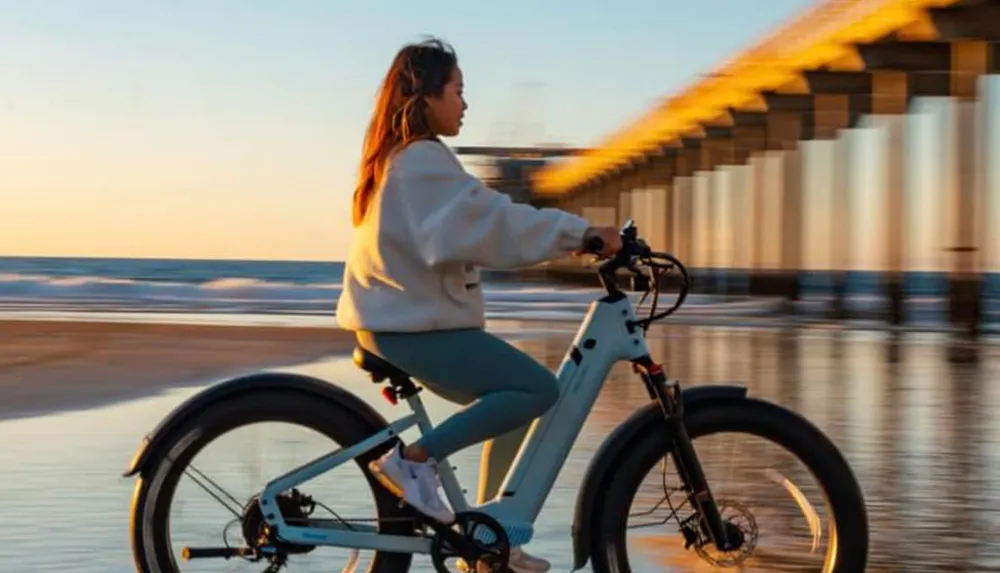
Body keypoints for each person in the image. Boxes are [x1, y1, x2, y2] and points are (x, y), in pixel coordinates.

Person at [335, 38, 621, 572]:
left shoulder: (406, 161)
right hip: (409, 328)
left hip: (403, 322)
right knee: (537, 388)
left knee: (517, 404)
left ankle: (493, 544)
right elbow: (495, 220)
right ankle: (414, 462)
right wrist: (580, 234)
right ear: (424, 96)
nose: (465, 104)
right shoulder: (421, 162)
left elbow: (484, 219)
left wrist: (568, 237)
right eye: (458, 91)